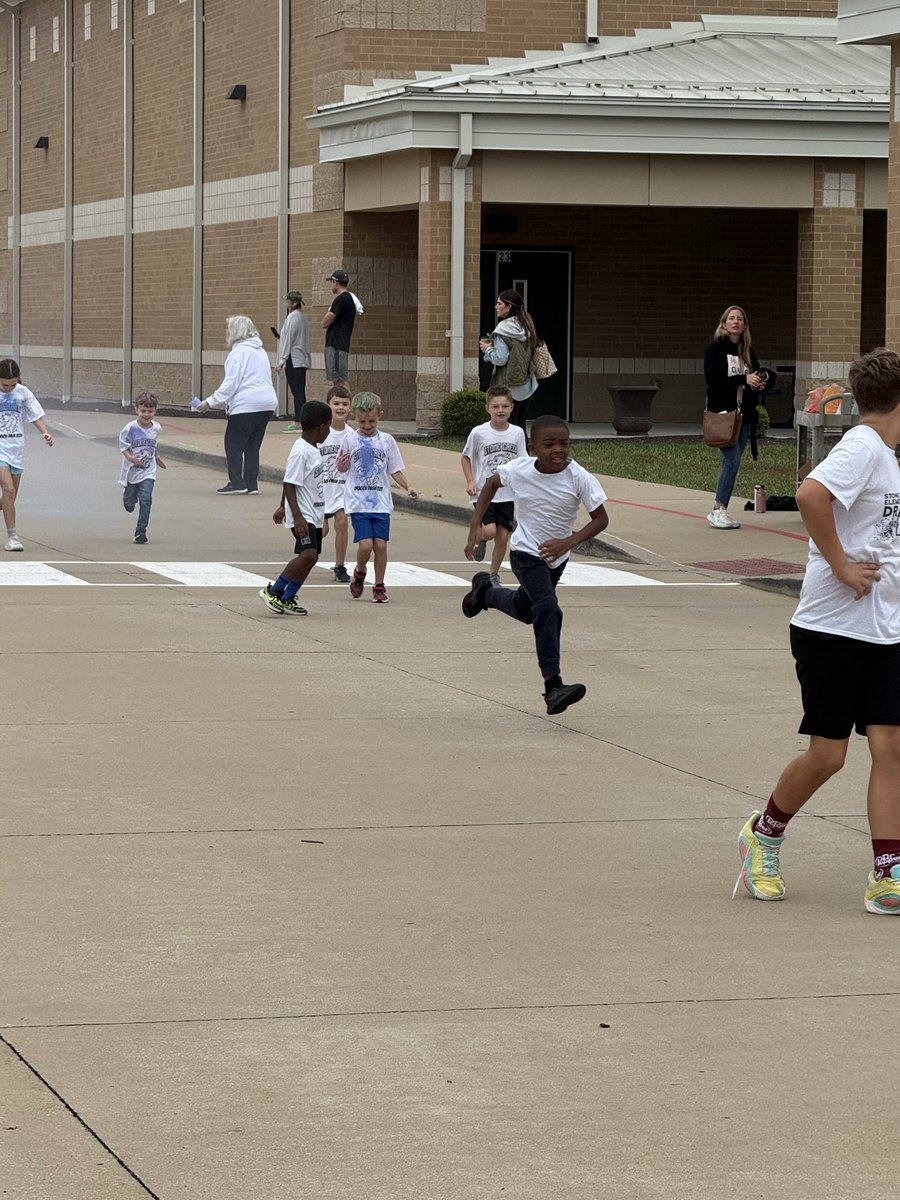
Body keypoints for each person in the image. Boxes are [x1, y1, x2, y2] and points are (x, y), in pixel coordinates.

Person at [734, 347, 900, 915]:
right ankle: (764, 833)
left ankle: (887, 872)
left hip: (885, 630)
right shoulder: (864, 447)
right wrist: (839, 565)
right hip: (831, 629)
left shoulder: (889, 457)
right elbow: (810, 494)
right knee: (829, 755)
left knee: (890, 745)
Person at [462, 415, 608, 715]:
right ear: (532, 447)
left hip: (557, 558)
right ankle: (553, 686)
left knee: (528, 610)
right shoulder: (520, 469)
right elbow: (491, 484)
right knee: (548, 608)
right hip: (526, 553)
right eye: (549, 444)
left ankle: (485, 593)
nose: (558, 450)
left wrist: (568, 542)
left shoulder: (579, 476)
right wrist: (475, 526)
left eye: (564, 444)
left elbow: (601, 519)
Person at [335, 391, 418, 603]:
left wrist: (408, 486)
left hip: (380, 501)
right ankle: (360, 571)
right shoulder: (350, 439)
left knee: (380, 545)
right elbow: (342, 467)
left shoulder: (387, 441)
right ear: (354, 417)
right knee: (366, 546)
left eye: (371, 421)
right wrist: (341, 466)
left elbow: (395, 469)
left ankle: (379, 585)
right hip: (358, 501)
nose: (367, 425)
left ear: (379, 415)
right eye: (362, 421)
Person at [704, 304, 775, 529]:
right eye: (731, 318)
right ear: (724, 324)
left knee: (732, 462)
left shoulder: (746, 350)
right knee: (731, 460)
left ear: (744, 325)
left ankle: (720, 509)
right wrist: (743, 381)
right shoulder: (716, 349)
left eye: (740, 319)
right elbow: (713, 381)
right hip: (723, 413)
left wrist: (761, 381)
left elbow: (754, 374)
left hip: (744, 415)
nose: (736, 322)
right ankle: (718, 509)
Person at [260, 400, 332, 616]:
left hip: (314, 513)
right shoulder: (301, 451)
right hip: (303, 515)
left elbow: (294, 480)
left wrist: (282, 506)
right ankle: (274, 591)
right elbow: (289, 483)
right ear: (322, 427)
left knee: (312, 557)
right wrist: (296, 515)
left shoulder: (312, 450)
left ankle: (288, 597)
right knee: (308, 555)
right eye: (328, 427)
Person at [196, 315, 278, 495]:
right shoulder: (261, 351)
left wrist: (209, 401)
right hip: (267, 403)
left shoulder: (238, 352)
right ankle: (251, 484)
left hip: (246, 404)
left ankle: (237, 482)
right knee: (252, 445)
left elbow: (231, 383)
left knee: (233, 443)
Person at [461, 385, 527, 586]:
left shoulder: (517, 433)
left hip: (507, 494)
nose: (500, 410)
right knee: (489, 531)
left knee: (503, 536)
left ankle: (493, 574)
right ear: (487, 408)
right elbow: (466, 457)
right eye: (496, 406)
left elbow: (522, 461)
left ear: (512, 408)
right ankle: (481, 539)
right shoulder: (479, 433)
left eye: (505, 406)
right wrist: (470, 480)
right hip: (484, 493)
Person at [0, 357, 54, 552]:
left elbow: (35, 415)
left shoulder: (23, 393)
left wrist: (45, 432)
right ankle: (13, 536)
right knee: (8, 490)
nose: (8, 388)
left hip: (16, 448)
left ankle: (11, 529)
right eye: (4, 384)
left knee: (9, 498)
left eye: (12, 384)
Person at [479, 289, 539, 429]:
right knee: (520, 424)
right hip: (526, 383)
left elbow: (500, 359)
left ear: (509, 306)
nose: (496, 307)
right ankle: (523, 450)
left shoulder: (503, 328)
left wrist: (488, 350)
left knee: (510, 427)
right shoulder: (525, 325)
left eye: (499, 303)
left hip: (509, 385)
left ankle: (512, 452)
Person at [119, 391, 166, 545]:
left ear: (155, 411)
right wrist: (130, 457)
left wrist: (157, 457)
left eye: (150, 411)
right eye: (143, 411)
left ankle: (141, 531)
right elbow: (123, 446)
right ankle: (128, 497)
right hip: (132, 471)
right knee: (129, 503)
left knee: (146, 499)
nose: (146, 414)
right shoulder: (130, 428)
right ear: (136, 410)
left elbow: (153, 444)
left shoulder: (156, 428)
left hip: (148, 471)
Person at [319, 384, 353, 584]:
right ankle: (307, 555)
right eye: (336, 403)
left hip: (341, 489)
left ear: (350, 408)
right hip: (321, 490)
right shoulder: (321, 431)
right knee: (321, 530)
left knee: (342, 523)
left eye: (344, 404)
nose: (340, 407)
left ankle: (340, 566)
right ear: (328, 405)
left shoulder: (352, 435)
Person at [274, 290, 310, 432]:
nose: (287, 303)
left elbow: (288, 339)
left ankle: (299, 422)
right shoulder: (302, 318)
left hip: (294, 360)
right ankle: (301, 421)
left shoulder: (293, 318)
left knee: (298, 392)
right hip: (301, 359)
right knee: (299, 391)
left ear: (294, 303)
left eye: (289, 301)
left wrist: (282, 360)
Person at [322, 270, 358, 385]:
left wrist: (326, 318)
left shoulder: (341, 299)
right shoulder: (349, 299)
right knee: (338, 380)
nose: (331, 285)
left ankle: (347, 402)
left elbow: (325, 322)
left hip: (336, 345)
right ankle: (342, 401)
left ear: (336, 283)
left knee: (340, 381)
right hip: (341, 344)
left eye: (331, 282)